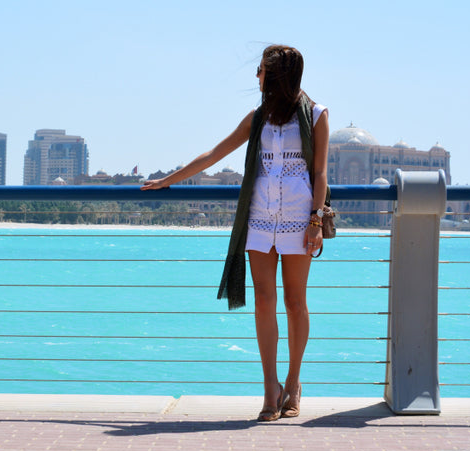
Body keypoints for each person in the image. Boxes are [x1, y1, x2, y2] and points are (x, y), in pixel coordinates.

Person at [141, 44, 329, 421]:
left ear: (278, 75)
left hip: (299, 218)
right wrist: (168, 180)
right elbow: (214, 154)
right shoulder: (257, 118)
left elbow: (320, 172)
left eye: (261, 70)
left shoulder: (316, 115)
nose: (257, 76)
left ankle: (294, 383)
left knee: (295, 301)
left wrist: (316, 221)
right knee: (263, 300)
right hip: (259, 217)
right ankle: (270, 389)